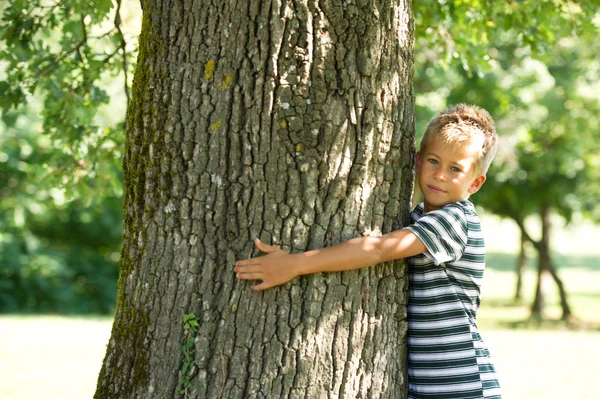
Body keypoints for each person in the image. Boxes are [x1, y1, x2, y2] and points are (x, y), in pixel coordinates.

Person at [235, 103, 502, 399]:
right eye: (433, 161)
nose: (440, 175)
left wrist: (295, 264)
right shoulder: (419, 219)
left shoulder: (454, 220)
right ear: (417, 161)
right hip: (428, 382)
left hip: (460, 383)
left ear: (475, 183)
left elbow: (377, 250)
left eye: (455, 169)